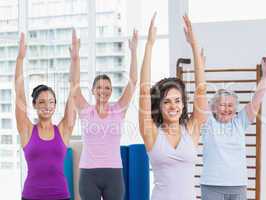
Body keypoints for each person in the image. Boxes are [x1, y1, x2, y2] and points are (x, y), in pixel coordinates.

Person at [138, 13, 208, 200]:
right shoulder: (151, 133)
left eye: (177, 101)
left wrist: (194, 45)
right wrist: (149, 45)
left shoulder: (192, 130)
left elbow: (201, 91)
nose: (173, 106)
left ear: (184, 105)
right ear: (159, 106)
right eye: (167, 101)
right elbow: (144, 92)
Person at [69, 29, 138, 200]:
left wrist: (134, 52)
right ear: (92, 90)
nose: (103, 91)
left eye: (107, 88)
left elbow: (133, 81)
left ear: (111, 91)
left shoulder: (118, 110)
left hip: (113, 173)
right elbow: (74, 84)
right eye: (99, 87)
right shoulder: (86, 111)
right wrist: (75, 58)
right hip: (88, 174)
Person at [200, 53, 266, 200]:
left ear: (235, 108)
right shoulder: (208, 123)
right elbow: (200, 94)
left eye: (230, 105)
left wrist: (265, 76)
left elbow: (257, 100)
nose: (226, 109)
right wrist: (200, 68)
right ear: (213, 107)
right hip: (212, 186)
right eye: (222, 105)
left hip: (238, 186)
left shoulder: (240, 122)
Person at [15, 33, 76, 200]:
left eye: (51, 102)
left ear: (55, 105)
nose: (47, 106)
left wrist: (75, 61)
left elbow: (73, 92)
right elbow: (19, 95)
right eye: (41, 102)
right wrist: (20, 58)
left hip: (60, 195)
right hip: (31, 195)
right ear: (34, 105)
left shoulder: (63, 130)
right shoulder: (27, 130)